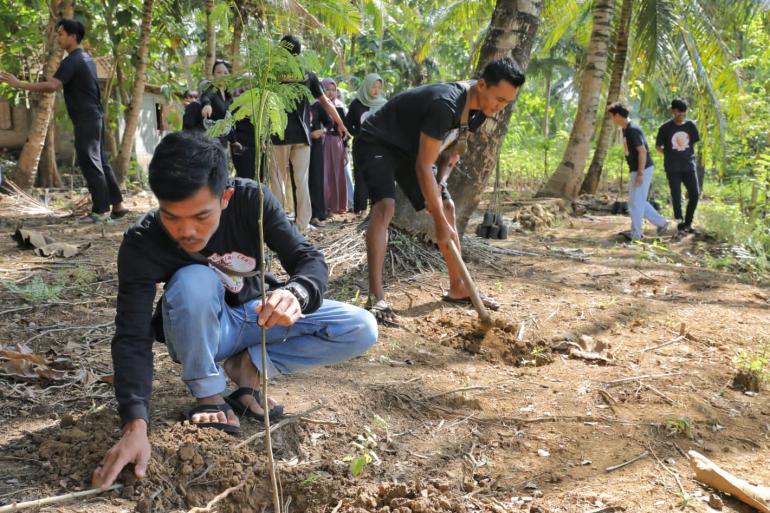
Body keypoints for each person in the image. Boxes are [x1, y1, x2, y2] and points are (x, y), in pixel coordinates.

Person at [91, 131, 377, 490]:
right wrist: (135, 425)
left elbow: (307, 259)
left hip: (258, 315)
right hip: (203, 332)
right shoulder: (142, 242)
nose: (187, 231)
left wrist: (296, 293)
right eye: (172, 217)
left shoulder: (251, 200)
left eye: (200, 216)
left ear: (225, 197)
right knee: (194, 280)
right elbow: (132, 336)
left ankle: (249, 368)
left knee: (360, 326)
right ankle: (208, 393)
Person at [353, 58, 524, 327]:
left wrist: (440, 188)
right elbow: (423, 165)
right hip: (378, 142)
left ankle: (458, 287)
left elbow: (447, 151)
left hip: (412, 151)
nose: (500, 108)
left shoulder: (478, 111)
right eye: (498, 99)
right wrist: (440, 226)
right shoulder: (445, 105)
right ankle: (377, 298)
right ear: (481, 85)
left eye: (506, 103)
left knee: (447, 207)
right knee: (385, 206)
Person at [0, 19, 127, 223]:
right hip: (94, 116)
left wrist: (18, 83)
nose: (57, 37)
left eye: (60, 34)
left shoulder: (73, 61)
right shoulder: (86, 58)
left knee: (90, 162)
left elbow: (52, 86)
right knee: (100, 161)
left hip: (87, 118)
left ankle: (101, 211)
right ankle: (118, 206)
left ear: (72, 36)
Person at [269, 35, 348, 233]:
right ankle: (302, 225)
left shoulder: (272, 74)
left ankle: (278, 226)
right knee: (301, 180)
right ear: (299, 52)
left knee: (278, 179)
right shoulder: (308, 75)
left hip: (278, 134)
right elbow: (326, 102)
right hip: (302, 136)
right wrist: (341, 124)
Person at [608, 101, 670, 241]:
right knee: (637, 201)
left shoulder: (632, 130)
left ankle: (636, 235)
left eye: (612, 116)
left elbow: (642, 151)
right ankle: (662, 223)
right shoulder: (626, 129)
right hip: (636, 169)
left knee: (635, 203)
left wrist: (640, 174)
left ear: (618, 115)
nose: (612, 120)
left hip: (642, 169)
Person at [655, 99, 700, 233]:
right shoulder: (665, 128)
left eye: (683, 112)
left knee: (695, 194)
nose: (681, 115)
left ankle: (688, 222)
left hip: (688, 166)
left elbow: (693, 143)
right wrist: (669, 154)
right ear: (673, 111)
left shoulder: (691, 126)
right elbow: (658, 146)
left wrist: (687, 155)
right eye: (678, 112)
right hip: (672, 167)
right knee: (676, 194)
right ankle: (679, 222)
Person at [346, 73, 387, 214]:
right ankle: (360, 209)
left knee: (377, 176)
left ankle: (376, 208)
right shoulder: (357, 104)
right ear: (366, 87)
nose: (376, 90)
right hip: (361, 145)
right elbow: (347, 124)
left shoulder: (384, 104)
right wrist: (358, 132)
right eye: (373, 87)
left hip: (378, 146)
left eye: (379, 87)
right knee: (361, 176)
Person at [321, 78, 348, 215]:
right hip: (323, 142)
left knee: (337, 173)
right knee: (325, 174)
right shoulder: (319, 105)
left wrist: (346, 150)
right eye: (327, 90)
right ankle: (326, 206)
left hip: (337, 143)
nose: (331, 93)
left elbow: (344, 130)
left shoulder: (339, 107)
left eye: (333, 90)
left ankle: (338, 205)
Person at [199, 60, 232, 147]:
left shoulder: (228, 96)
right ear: (213, 75)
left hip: (223, 142)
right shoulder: (211, 88)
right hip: (210, 142)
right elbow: (206, 96)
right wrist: (207, 105)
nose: (222, 75)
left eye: (225, 73)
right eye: (219, 72)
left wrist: (234, 140)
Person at [308, 99, 329, 226]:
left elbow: (330, 123)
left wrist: (322, 131)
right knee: (300, 181)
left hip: (315, 146)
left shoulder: (317, 105)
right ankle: (303, 215)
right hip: (298, 145)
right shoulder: (296, 101)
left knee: (316, 179)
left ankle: (317, 215)